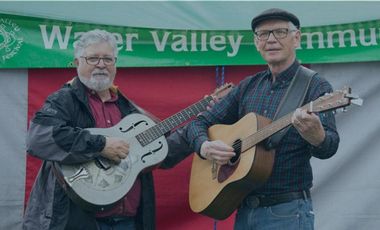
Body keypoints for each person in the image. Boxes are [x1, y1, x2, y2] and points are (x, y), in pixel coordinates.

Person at [23, 29, 195, 230]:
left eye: (107, 59)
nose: (101, 65)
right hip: (77, 221)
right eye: (93, 58)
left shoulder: (128, 109)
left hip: (129, 222)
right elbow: (39, 138)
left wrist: (198, 126)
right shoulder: (63, 100)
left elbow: (163, 153)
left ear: (115, 64)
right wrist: (101, 145)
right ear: (78, 62)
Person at [186, 8, 339, 230]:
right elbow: (197, 124)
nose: (271, 40)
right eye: (263, 34)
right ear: (256, 43)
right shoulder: (248, 86)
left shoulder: (316, 86)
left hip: (287, 211)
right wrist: (205, 147)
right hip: (244, 208)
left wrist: (317, 136)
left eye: (280, 32)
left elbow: (330, 147)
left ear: (296, 38)